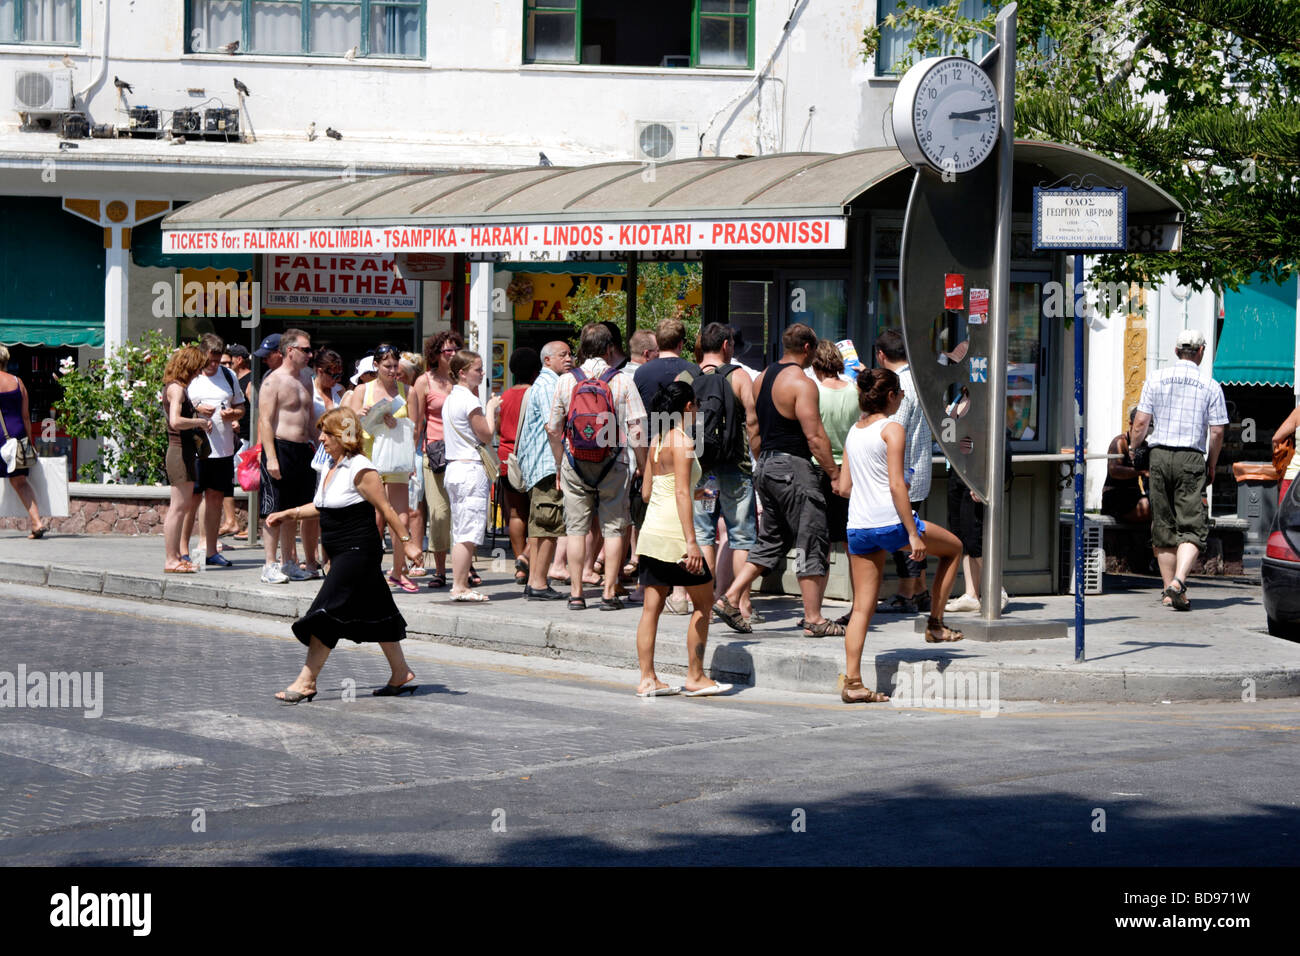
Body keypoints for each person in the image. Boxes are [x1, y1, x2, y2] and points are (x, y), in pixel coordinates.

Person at [269, 407, 424, 703]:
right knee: (379, 612)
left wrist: (408, 543)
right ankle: (400, 672)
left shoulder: (361, 467)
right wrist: (288, 514)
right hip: (340, 553)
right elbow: (324, 505)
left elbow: (386, 509)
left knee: (326, 613)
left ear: (344, 435)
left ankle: (306, 681)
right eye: (322, 432)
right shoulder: (331, 465)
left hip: (359, 552)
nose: (322, 438)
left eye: (328, 433)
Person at [836, 369, 965, 703]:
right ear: (891, 396)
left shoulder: (854, 431)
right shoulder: (892, 429)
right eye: (901, 394)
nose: (903, 399)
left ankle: (852, 682)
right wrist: (913, 532)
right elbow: (896, 484)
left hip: (859, 526)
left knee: (862, 607)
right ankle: (935, 623)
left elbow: (844, 487)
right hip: (892, 523)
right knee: (954, 548)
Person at [713, 324, 843, 637]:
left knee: (771, 541)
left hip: (766, 467)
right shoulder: (801, 383)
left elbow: (753, 427)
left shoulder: (763, 377)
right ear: (809, 349)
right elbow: (814, 436)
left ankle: (730, 597)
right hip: (794, 469)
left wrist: (765, 463)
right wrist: (834, 473)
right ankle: (813, 617)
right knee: (812, 538)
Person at [634, 381, 732, 698]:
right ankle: (696, 676)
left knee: (652, 608)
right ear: (688, 407)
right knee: (703, 603)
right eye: (697, 405)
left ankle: (647, 679)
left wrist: (696, 492)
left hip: (651, 533)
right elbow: (678, 492)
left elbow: (649, 493)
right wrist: (692, 542)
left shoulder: (657, 442)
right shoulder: (685, 442)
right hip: (677, 537)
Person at [548, 322, 650, 610]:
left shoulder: (566, 381)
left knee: (576, 530)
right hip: (613, 462)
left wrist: (560, 463)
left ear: (581, 349)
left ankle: (577, 593)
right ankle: (608, 593)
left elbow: (553, 429)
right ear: (609, 350)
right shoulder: (621, 381)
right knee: (614, 529)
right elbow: (637, 429)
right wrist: (642, 465)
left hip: (574, 462)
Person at [1129, 329, 1228, 611]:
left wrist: (1136, 450)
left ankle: (1168, 590)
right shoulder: (1210, 385)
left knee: (1163, 525)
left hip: (1159, 455)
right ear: (1200, 352)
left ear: (1175, 352)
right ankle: (1178, 583)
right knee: (1192, 526)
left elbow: (1141, 423)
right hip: (1191, 457)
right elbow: (1218, 431)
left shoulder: (1155, 378)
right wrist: (1211, 463)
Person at [694, 322, 761, 626]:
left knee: (705, 532)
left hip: (703, 472)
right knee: (741, 535)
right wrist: (757, 457)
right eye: (732, 344)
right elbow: (753, 420)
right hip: (735, 469)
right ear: (725, 346)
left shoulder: (689, 376)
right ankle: (742, 604)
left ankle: (703, 604)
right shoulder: (739, 376)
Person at [346, 344, 415, 592]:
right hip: (368, 456)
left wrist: (398, 423)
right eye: (387, 366)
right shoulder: (362, 390)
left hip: (396, 456)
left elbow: (415, 427)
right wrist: (358, 414)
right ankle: (367, 568)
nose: (393, 371)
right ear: (376, 366)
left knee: (400, 516)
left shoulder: (408, 390)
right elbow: (346, 427)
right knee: (371, 518)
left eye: (396, 366)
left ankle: (399, 570)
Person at [873, 328, 932, 614]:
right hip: (917, 469)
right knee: (912, 530)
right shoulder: (918, 378)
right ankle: (920, 591)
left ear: (881, 355)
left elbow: (893, 431)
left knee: (904, 535)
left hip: (904, 473)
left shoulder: (899, 387)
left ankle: (906, 593)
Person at [258, 329, 317, 584]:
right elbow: (265, 422)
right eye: (305, 349)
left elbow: (311, 418)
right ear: (289, 350)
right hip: (280, 448)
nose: (310, 354)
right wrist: (271, 457)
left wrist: (321, 443)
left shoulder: (307, 379)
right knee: (274, 508)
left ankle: (288, 562)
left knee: (294, 510)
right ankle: (269, 564)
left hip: (303, 450)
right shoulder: (273, 381)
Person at [182, 334, 246, 568]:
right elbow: (174, 407)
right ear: (202, 355)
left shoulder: (228, 376)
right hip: (197, 448)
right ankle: (183, 550)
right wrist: (197, 409)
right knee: (193, 498)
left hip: (223, 447)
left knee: (216, 498)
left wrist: (234, 414)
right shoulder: (190, 376)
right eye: (211, 360)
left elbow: (240, 407)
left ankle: (210, 549)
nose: (214, 365)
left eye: (218, 361)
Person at [442, 349, 500, 600]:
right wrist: (491, 408)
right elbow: (486, 434)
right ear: (463, 373)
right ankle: (460, 585)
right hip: (469, 468)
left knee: (461, 529)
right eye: (478, 369)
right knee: (469, 530)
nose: (482, 373)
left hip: (455, 467)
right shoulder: (469, 400)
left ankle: (460, 582)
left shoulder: (451, 398)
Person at [516, 340, 572, 600]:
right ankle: (538, 582)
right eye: (563, 355)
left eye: (570, 354)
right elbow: (555, 426)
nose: (569, 358)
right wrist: (562, 464)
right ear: (547, 360)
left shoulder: (542, 383)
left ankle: (534, 581)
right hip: (548, 464)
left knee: (539, 527)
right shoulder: (551, 384)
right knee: (550, 525)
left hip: (539, 466)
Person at [410, 330, 463, 589]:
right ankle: (440, 570)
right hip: (434, 454)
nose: (452, 354)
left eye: (455, 349)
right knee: (440, 514)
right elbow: (417, 423)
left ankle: (465, 567)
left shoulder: (462, 379)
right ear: (435, 354)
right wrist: (411, 458)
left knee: (462, 512)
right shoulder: (424, 381)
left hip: (463, 454)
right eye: (447, 350)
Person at [812, 339, 857, 621]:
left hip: (820, 469)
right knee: (852, 542)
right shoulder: (854, 391)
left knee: (820, 542)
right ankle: (859, 605)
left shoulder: (813, 392)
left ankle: (814, 608)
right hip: (852, 471)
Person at [161, 345, 213, 573]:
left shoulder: (173, 387)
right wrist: (199, 422)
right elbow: (175, 421)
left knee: (180, 507)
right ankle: (171, 559)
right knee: (178, 508)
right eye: (197, 368)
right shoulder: (178, 389)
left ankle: (174, 557)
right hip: (179, 451)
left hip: (183, 451)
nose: (199, 373)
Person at [496, 347, 540, 584]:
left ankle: (520, 566)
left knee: (515, 513)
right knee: (538, 515)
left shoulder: (503, 397)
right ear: (537, 370)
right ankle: (527, 558)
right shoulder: (536, 394)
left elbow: (496, 427)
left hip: (506, 460)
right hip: (531, 460)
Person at [301, 348, 345, 577]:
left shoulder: (339, 391)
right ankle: (310, 559)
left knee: (331, 508)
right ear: (319, 371)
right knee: (314, 508)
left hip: (336, 457)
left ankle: (328, 558)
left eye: (339, 374)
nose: (336, 379)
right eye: (332, 374)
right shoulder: (309, 389)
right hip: (314, 453)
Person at [620, 329, 659, 584]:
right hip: (635, 457)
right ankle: (638, 561)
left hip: (610, 457)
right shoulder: (643, 378)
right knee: (640, 513)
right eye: (656, 353)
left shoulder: (615, 375)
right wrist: (643, 462)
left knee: (619, 517)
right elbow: (638, 427)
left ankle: (609, 568)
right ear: (647, 354)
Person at [0, 345, 47, 538]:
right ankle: (37, 522)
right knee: (20, 481)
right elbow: (26, 416)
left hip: (0, 436)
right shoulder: (18, 382)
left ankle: (37, 523)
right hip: (18, 435)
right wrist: (31, 442)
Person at [399, 352, 428, 559]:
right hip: (393, 455)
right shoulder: (393, 392)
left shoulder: (414, 394)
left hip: (413, 453)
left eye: (400, 373)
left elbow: (417, 428)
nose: (395, 375)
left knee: (413, 508)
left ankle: (416, 555)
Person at [1101, 406, 1153, 523]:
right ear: (1130, 424)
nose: (1143, 434)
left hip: (1135, 496)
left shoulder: (1145, 446)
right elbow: (1114, 471)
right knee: (1148, 508)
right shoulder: (1120, 442)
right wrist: (1141, 472)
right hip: (1116, 498)